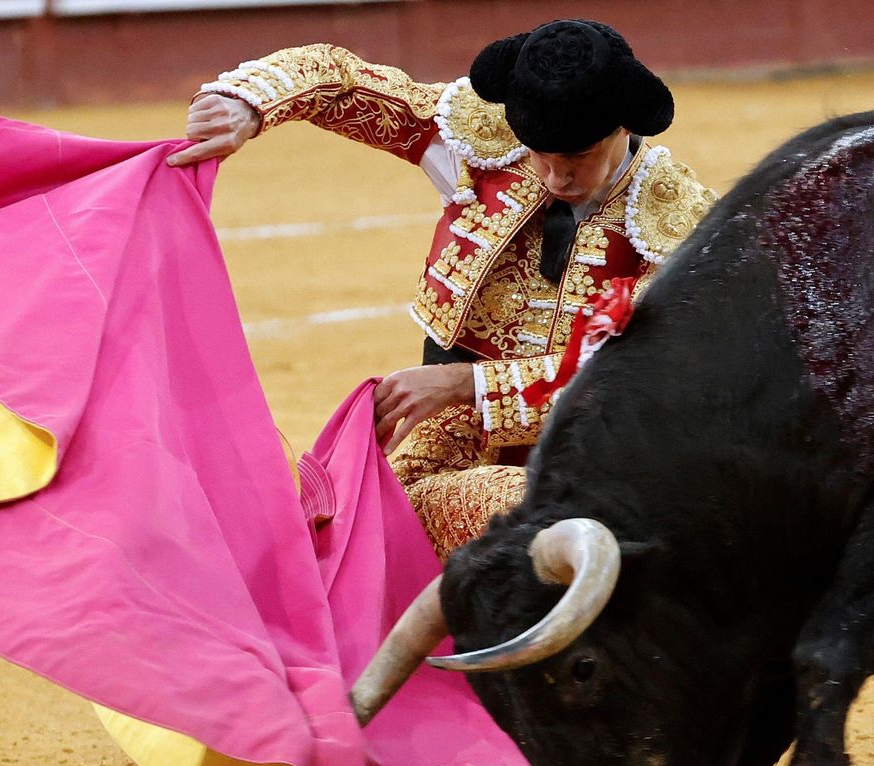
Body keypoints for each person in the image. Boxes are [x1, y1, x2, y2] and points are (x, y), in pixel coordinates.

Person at [170, 19, 715, 556]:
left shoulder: (675, 225)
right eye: (537, 154)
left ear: (622, 129)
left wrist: (463, 384)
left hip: (591, 453)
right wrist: (248, 102)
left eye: (575, 158)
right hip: (452, 429)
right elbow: (340, 81)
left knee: (563, 517)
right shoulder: (477, 143)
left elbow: (637, 383)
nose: (554, 178)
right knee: (368, 526)